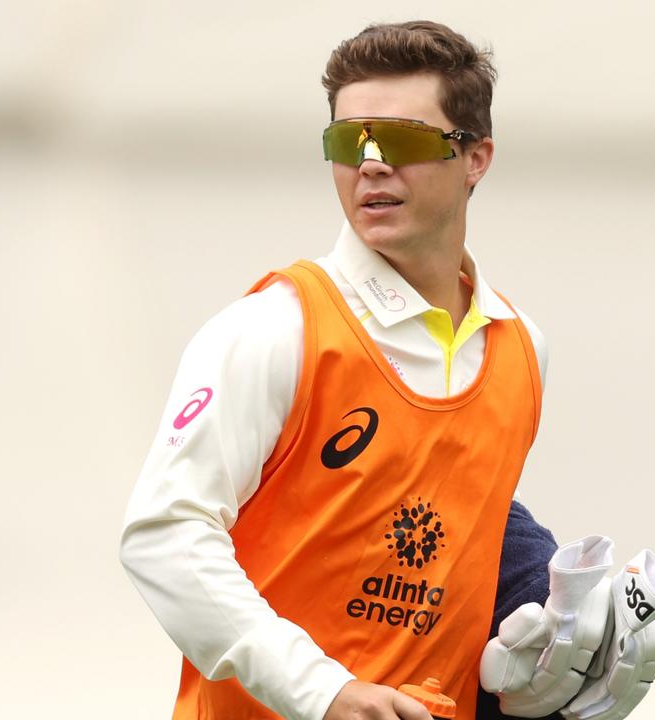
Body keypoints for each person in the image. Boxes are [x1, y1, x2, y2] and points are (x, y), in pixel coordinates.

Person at [121, 21, 562, 720]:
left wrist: (558, 612)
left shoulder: (520, 347)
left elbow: (459, 528)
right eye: (349, 140)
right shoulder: (273, 329)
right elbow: (164, 536)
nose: (373, 162)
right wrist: (322, 693)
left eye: (407, 140)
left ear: (476, 158)